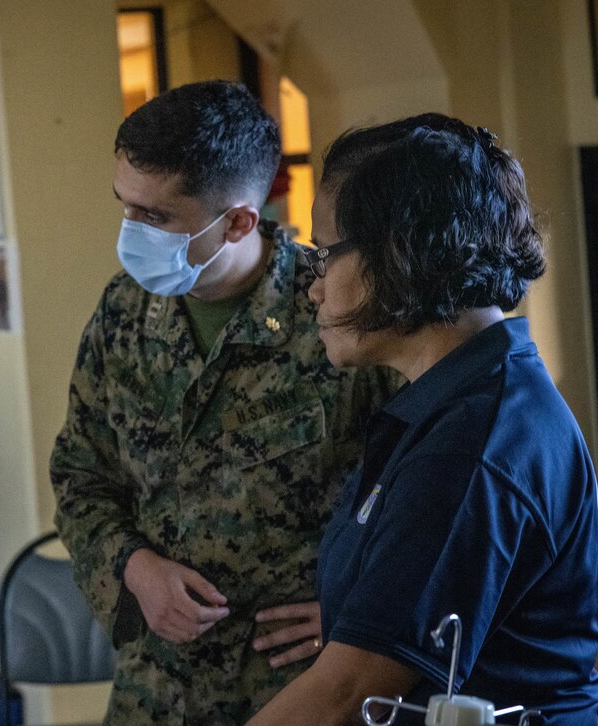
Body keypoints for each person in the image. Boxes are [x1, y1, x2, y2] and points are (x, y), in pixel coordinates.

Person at [49, 80, 395, 723]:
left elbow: (423, 491)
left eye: (154, 217)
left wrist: (362, 619)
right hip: (155, 689)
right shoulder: (124, 314)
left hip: (303, 688)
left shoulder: (337, 312)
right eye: (123, 205)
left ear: (237, 220)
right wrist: (134, 567)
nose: (129, 232)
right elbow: (79, 476)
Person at [249, 115, 598, 725]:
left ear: (399, 252)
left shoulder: (474, 441)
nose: (314, 288)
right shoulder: (457, 401)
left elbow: (345, 694)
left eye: (326, 254)